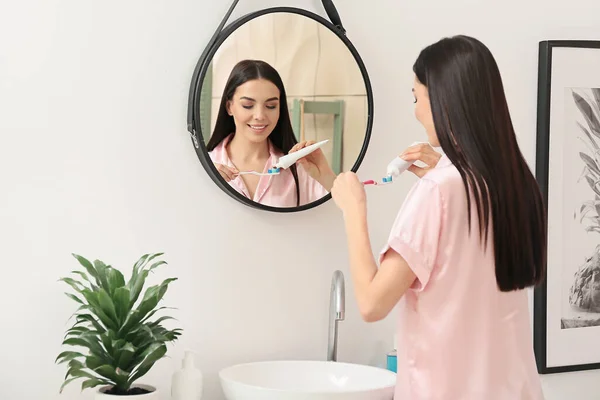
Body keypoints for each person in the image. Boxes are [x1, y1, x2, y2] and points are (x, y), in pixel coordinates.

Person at [330, 35, 547, 399]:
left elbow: (371, 304)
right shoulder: (515, 183)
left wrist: (354, 210)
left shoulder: (438, 192)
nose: (415, 111)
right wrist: (444, 171)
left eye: (417, 97)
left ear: (445, 102)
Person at [206, 59, 336, 208]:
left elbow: (342, 216)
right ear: (229, 107)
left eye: (271, 106)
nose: (260, 115)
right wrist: (203, 186)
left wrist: (325, 175)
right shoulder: (206, 166)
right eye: (248, 105)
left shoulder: (297, 169)